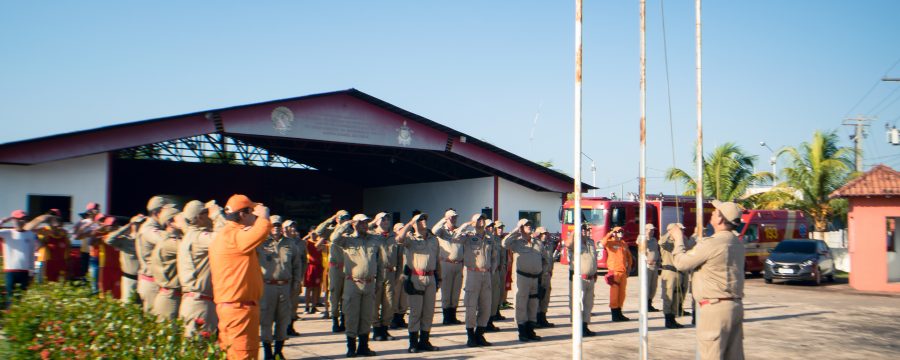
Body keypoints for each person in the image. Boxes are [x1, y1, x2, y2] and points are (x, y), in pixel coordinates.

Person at [671, 200, 745, 359]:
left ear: (720, 219)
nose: (712, 213)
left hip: (715, 309)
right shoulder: (736, 243)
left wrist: (678, 239)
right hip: (735, 305)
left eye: (715, 211)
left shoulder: (713, 243)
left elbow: (681, 263)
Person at [210, 195, 271, 360]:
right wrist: (264, 215)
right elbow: (261, 231)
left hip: (233, 308)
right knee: (243, 355)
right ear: (243, 214)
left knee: (232, 353)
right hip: (239, 310)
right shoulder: (235, 236)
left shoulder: (226, 234)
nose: (255, 216)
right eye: (252, 212)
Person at [331, 214, 383, 357]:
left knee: (366, 317)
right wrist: (346, 223)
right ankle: (351, 348)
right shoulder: (348, 240)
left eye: (366, 223)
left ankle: (363, 347)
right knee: (352, 316)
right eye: (361, 223)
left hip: (369, 284)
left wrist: (379, 282)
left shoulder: (373, 240)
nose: (364, 225)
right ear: (355, 225)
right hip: (353, 283)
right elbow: (334, 238)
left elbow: (379, 263)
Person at [257, 215, 304, 360]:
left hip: (285, 286)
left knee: (283, 320)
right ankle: (267, 352)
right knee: (266, 319)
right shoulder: (261, 243)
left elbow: (297, 264)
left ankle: (278, 351)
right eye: (273, 225)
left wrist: (297, 281)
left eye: (278, 225)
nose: (276, 228)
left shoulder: (290, 244)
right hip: (267, 286)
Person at [395, 213, 441, 353]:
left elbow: (437, 259)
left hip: (431, 278)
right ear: (414, 223)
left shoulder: (433, 239)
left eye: (424, 219)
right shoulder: (411, 238)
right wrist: (410, 223)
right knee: (415, 312)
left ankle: (424, 341)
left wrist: (439, 279)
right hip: (416, 278)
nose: (423, 221)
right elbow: (399, 239)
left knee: (428, 312)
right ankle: (413, 343)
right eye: (420, 219)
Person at [178, 200, 223, 337]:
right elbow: (224, 238)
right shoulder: (199, 238)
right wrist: (217, 215)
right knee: (201, 350)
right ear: (200, 217)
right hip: (200, 303)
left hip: (192, 301)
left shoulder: (189, 236)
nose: (209, 216)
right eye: (206, 213)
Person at [453, 214, 494, 347]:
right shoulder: (468, 236)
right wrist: (466, 225)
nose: (481, 221)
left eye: (483, 218)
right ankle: (470, 336)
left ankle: (479, 334)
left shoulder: (489, 237)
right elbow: (455, 238)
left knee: (486, 307)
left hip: (486, 275)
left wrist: (491, 270)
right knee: (471, 307)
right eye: (478, 219)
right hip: (473, 274)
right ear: (473, 222)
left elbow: (493, 255)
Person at [502, 219, 544, 342]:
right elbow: (504, 243)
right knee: (521, 305)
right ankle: (522, 332)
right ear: (521, 227)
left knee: (533, 305)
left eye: (530, 225)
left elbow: (542, 258)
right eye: (526, 225)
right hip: (522, 277)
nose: (529, 227)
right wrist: (516, 230)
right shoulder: (517, 242)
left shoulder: (537, 242)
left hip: (535, 278)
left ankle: (530, 330)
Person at [315, 210, 352, 333]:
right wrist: (331, 218)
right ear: (337, 219)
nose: (345, 220)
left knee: (346, 296)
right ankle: (335, 319)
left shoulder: (351, 232)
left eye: (347, 217)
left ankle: (344, 319)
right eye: (342, 217)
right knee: (335, 294)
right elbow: (319, 231)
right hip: (335, 268)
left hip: (348, 268)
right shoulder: (332, 230)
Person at [137, 196, 172, 313]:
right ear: (156, 212)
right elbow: (165, 242)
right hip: (151, 281)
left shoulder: (151, 227)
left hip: (152, 280)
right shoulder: (149, 229)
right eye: (165, 211)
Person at [370, 212, 400, 342]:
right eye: (382, 219)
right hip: (377, 274)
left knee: (389, 302)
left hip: (391, 273)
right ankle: (376, 329)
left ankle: (385, 329)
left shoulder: (394, 237)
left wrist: (399, 276)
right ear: (376, 221)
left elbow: (400, 258)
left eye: (388, 218)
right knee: (375, 303)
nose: (385, 221)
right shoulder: (371, 236)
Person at [0, 210, 38, 308]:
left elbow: (31, 254)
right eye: (18, 219)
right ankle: (9, 318)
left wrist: (32, 271)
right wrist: (3, 221)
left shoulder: (30, 234)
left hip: (25, 271)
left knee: (22, 298)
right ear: (13, 220)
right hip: (10, 270)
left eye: (23, 219)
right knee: (10, 297)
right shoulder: (7, 233)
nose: (21, 221)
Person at [565, 223, 598, 336]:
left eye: (585, 228)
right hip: (579, 279)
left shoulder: (590, 242)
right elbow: (568, 243)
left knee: (588, 304)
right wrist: (575, 231)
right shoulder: (575, 242)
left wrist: (595, 272)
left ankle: (584, 326)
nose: (584, 230)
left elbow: (593, 259)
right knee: (577, 304)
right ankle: (577, 328)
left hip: (590, 278)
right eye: (582, 228)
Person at [151, 207, 183, 321]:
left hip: (172, 296)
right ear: (171, 223)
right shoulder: (169, 243)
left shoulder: (171, 240)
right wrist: (186, 226)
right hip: (170, 298)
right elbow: (190, 248)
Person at [432, 209, 464, 325]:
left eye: (455, 217)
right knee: (446, 291)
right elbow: (434, 230)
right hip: (446, 264)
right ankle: (446, 317)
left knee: (456, 292)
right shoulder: (442, 231)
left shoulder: (458, 230)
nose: (453, 219)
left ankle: (453, 316)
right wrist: (444, 220)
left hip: (458, 264)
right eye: (451, 217)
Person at [105, 215, 146, 303]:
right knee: (128, 305)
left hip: (144, 279)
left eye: (142, 223)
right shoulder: (125, 240)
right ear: (133, 225)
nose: (141, 225)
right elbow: (109, 240)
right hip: (130, 278)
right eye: (138, 223)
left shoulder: (146, 239)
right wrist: (127, 226)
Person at [27, 211, 70, 283]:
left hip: (60, 261)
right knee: (45, 283)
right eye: (50, 217)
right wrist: (40, 219)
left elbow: (67, 247)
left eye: (55, 217)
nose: (52, 219)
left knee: (60, 283)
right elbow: (27, 229)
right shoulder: (44, 230)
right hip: (45, 261)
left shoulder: (63, 232)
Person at [602, 226, 633, 322]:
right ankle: (614, 314)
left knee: (622, 294)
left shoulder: (623, 244)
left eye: (621, 232)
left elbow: (629, 257)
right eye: (618, 232)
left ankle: (619, 313)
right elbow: (603, 242)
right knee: (614, 294)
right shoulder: (610, 242)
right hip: (614, 272)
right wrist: (611, 233)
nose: (620, 233)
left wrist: (629, 268)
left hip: (623, 272)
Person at [659, 222, 688, 328]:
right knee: (669, 297)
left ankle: (673, 318)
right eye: (680, 230)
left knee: (677, 296)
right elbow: (663, 242)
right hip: (669, 272)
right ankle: (668, 320)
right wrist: (671, 233)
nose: (682, 232)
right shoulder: (665, 240)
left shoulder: (681, 241)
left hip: (679, 272)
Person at [281, 219, 307, 337]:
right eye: (289, 227)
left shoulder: (300, 243)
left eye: (293, 227)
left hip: (294, 278)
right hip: (281, 278)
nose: (292, 229)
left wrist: (300, 276)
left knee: (293, 304)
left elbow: (304, 260)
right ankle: (280, 328)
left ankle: (290, 327)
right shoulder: (277, 241)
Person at [534, 227, 556, 329]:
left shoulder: (549, 245)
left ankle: (543, 317)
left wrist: (551, 270)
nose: (544, 236)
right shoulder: (535, 245)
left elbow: (550, 259)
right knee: (538, 297)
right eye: (542, 234)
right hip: (539, 274)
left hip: (547, 274)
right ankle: (536, 319)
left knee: (546, 297)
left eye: (545, 234)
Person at [390, 222, 410, 330]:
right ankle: (393, 318)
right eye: (400, 229)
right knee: (395, 296)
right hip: (397, 272)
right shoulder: (393, 242)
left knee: (404, 297)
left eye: (404, 229)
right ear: (395, 231)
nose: (403, 231)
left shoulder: (408, 241)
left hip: (407, 272)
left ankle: (400, 318)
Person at [490, 221, 509, 324]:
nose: (501, 229)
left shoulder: (502, 239)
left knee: (500, 291)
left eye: (502, 227)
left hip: (502, 268)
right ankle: (493, 312)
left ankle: (497, 311)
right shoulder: (492, 239)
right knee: (494, 292)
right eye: (498, 228)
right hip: (495, 269)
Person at [304, 227, 325, 315]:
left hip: (318, 267)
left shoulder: (319, 243)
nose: (314, 235)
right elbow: (302, 241)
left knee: (316, 288)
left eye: (315, 233)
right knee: (309, 288)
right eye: (312, 233)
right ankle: (306, 307)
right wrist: (307, 236)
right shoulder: (307, 242)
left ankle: (313, 306)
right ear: (309, 233)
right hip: (310, 267)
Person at [645, 223, 661, 312]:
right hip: (647, 267)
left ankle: (650, 303)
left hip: (655, 266)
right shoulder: (643, 239)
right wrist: (645, 237)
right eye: (650, 230)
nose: (652, 231)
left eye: (653, 230)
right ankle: (646, 304)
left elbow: (656, 251)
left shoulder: (654, 240)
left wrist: (659, 260)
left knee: (653, 286)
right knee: (646, 286)